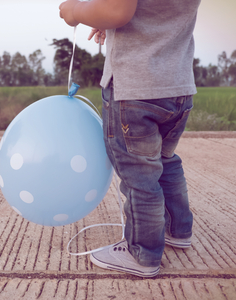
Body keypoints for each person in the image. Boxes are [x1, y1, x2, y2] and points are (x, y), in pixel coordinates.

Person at [59, 0, 199, 277]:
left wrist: (75, 10)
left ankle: (142, 254)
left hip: (135, 91)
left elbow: (117, 10)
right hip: (178, 89)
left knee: (140, 175)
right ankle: (177, 229)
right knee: (164, 160)